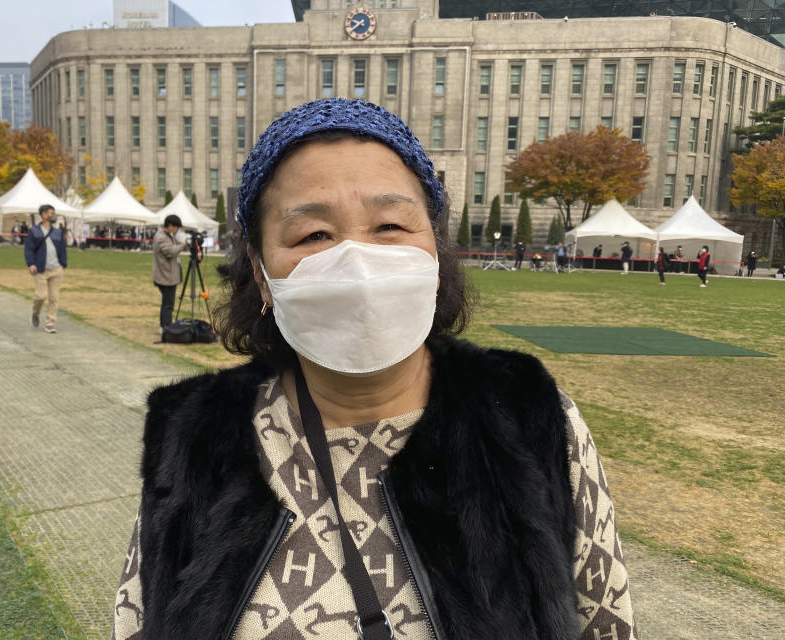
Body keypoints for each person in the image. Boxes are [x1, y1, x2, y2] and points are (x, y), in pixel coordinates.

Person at [111, 98, 637, 640]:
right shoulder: (194, 438)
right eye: (313, 235)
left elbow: (606, 623)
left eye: (390, 225)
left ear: (434, 250)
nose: (357, 260)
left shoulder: (530, 420)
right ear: (262, 275)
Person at [24, 204, 67, 333]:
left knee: (54, 298)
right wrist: (31, 263)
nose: (53, 215)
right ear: (43, 215)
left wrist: (63, 264)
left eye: (54, 213)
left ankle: (50, 323)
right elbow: (29, 249)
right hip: (40, 269)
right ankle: (35, 314)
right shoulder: (34, 231)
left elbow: (63, 250)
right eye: (50, 213)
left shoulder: (58, 232)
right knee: (41, 296)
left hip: (56, 269)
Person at [152, 214, 186, 333]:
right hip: (165, 276)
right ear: (171, 226)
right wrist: (182, 245)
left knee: (168, 302)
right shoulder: (161, 237)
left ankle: (165, 325)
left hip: (168, 275)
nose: (177, 231)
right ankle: (166, 327)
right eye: (177, 228)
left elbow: (174, 246)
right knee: (168, 304)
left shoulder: (167, 235)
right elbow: (170, 251)